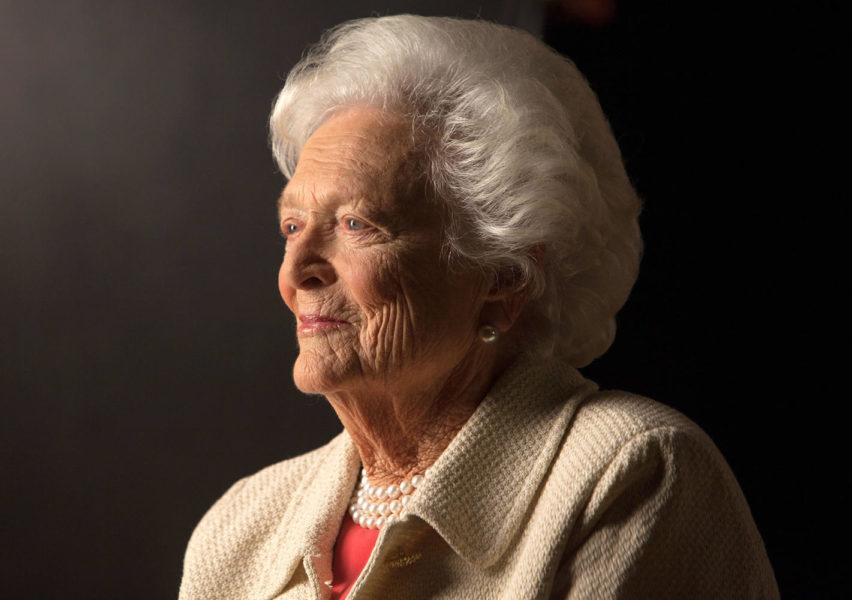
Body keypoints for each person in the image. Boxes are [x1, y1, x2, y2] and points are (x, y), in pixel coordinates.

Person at [179, 15, 778, 599]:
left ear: (502, 276)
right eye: (292, 225)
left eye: (357, 224)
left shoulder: (630, 476)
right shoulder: (241, 525)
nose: (296, 271)